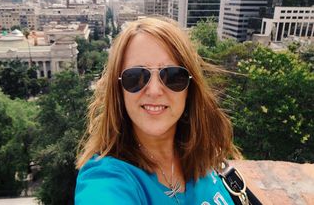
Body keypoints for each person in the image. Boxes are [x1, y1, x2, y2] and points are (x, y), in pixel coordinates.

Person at [75, 17, 240, 204]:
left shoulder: (202, 156)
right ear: (119, 91)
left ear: (189, 89)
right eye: (136, 77)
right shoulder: (107, 178)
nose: (154, 91)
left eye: (173, 76)